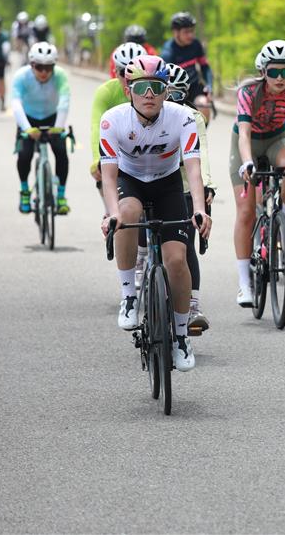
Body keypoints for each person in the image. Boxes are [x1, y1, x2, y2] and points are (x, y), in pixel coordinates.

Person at [99, 55, 211, 372]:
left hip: (167, 184)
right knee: (127, 212)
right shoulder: (113, 120)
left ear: (165, 92)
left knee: (177, 259)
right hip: (129, 180)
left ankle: (179, 337)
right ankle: (129, 296)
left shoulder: (183, 118)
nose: (149, 94)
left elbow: (193, 169)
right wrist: (111, 214)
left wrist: (200, 210)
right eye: (142, 87)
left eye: (156, 88)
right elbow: (108, 177)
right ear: (129, 91)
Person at [232, 39, 285, 307]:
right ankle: (244, 284)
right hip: (247, 142)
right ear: (263, 72)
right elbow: (244, 134)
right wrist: (247, 163)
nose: (280, 78)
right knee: (246, 212)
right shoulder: (248, 92)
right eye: (274, 72)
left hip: (277, 138)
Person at [167, 62, 217, 335]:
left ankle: (193, 305)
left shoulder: (191, 117)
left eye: (178, 95)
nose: (171, 101)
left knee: (185, 245)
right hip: (153, 182)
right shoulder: (147, 113)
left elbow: (202, 154)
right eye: (167, 93)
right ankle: (140, 268)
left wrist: (207, 185)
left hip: (185, 184)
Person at [11, 42, 71, 215]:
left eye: (48, 67)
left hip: (52, 118)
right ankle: (24, 191)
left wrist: (59, 127)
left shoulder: (60, 75)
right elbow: (16, 104)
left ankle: (61, 195)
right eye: (39, 67)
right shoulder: (21, 76)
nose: (44, 72)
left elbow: (64, 101)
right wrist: (28, 128)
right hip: (28, 119)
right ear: (31, 65)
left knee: (61, 152)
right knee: (25, 155)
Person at [90, 42, 147, 190]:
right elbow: (97, 127)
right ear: (115, 72)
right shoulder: (106, 92)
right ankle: (110, 211)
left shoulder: (155, 92)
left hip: (149, 149)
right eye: (124, 73)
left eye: (135, 72)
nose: (130, 79)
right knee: (104, 173)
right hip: (119, 148)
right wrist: (98, 159)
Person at [160, 12, 213, 117]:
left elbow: (205, 67)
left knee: (204, 105)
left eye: (192, 31)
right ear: (176, 32)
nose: (191, 35)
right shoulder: (168, 53)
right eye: (186, 32)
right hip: (175, 89)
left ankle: (200, 132)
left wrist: (209, 86)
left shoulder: (195, 44)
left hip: (193, 86)